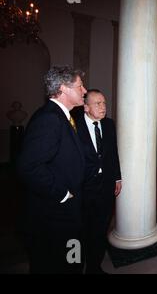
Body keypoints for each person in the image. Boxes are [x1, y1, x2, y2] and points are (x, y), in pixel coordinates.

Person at [17, 66, 87, 274]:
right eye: (80, 86)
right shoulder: (49, 119)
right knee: (56, 265)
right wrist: (63, 194)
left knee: (69, 262)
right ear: (64, 89)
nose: (84, 90)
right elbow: (28, 166)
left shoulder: (63, 116)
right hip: (53, 215)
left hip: (64, 212)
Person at [75, 89, 121, 274]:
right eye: (98, 103)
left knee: (101, 229)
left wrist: (117, 177)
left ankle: (94, 267)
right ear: (86, 107)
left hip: (106, 186)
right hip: (84, 187)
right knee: (82, 229)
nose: (103, 107)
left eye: (104, 103)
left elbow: (113, 154)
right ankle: (77, 264)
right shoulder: (74, 126)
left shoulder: (109, 124)